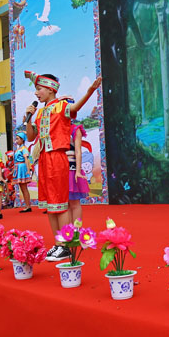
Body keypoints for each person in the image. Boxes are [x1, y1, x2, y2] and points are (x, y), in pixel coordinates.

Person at [23, 71, 101, 261]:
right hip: (44, 159)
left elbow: (76, 106)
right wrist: (28, 119)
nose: (36, 93)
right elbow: (31, 137)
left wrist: (90, 90)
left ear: (51, 89)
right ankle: (58, 243)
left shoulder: (62, 106)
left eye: (39, 89)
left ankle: (65, 245)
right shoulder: (40, 112)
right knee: (49, 204)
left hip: (58, 158)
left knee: (60, 202)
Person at [68, 123, 91, 224]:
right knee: (64, 205)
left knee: (74, 203)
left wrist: (77, 171)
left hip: (71, 170)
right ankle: (67, 231)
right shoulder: (55, 128)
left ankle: (77, 231)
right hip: (59, 171)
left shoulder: (75, 129)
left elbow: (78, 151)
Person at [13, 131, 34, 213]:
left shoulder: (24, 148)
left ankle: (28, 206)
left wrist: (28, 170)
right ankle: (27, 205)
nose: (16, 140)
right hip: (18, 167)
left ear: (22, 139)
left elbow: (26, 159)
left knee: (24, 188)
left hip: (22, 167)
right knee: (22, 188)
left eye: (18, 139)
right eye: (16, 139)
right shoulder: (18, 149)